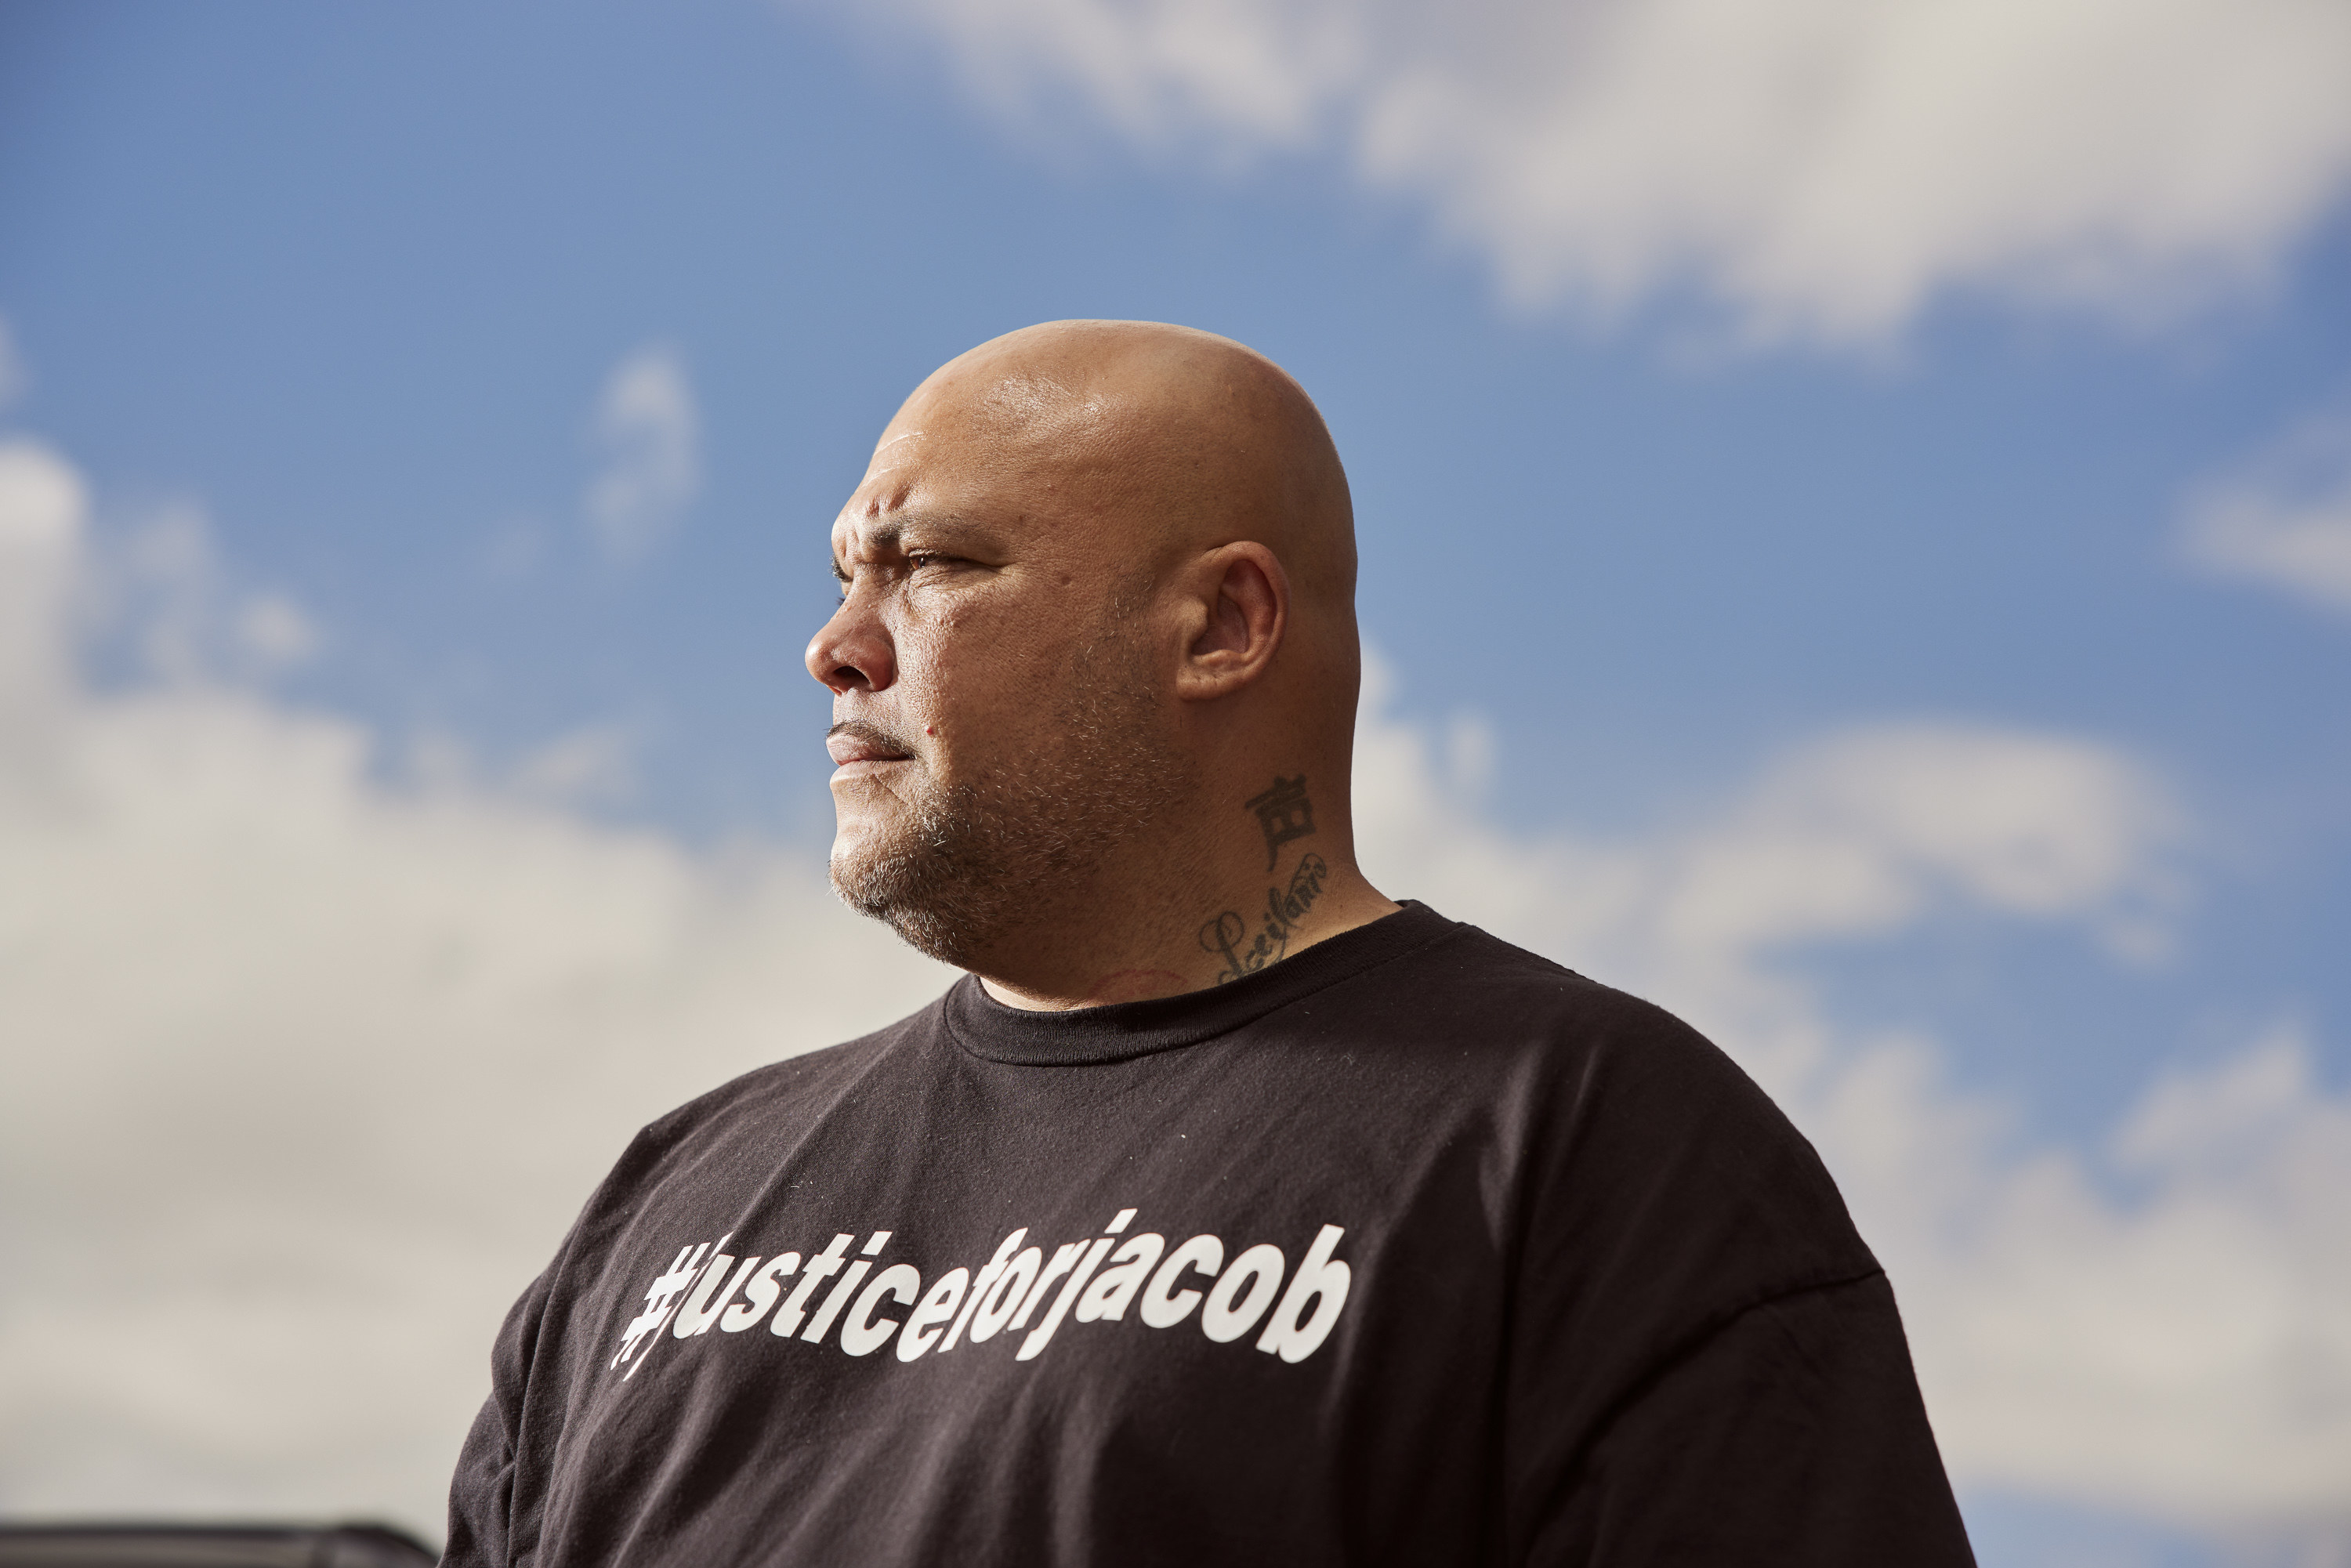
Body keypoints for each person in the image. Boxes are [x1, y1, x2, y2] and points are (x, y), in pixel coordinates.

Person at [438, 321, 1976, 1566]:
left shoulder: (1593, 1146)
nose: (838, 643)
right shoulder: (670, 1199)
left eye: (935, 566)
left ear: (1225, 625)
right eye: (844, 573)